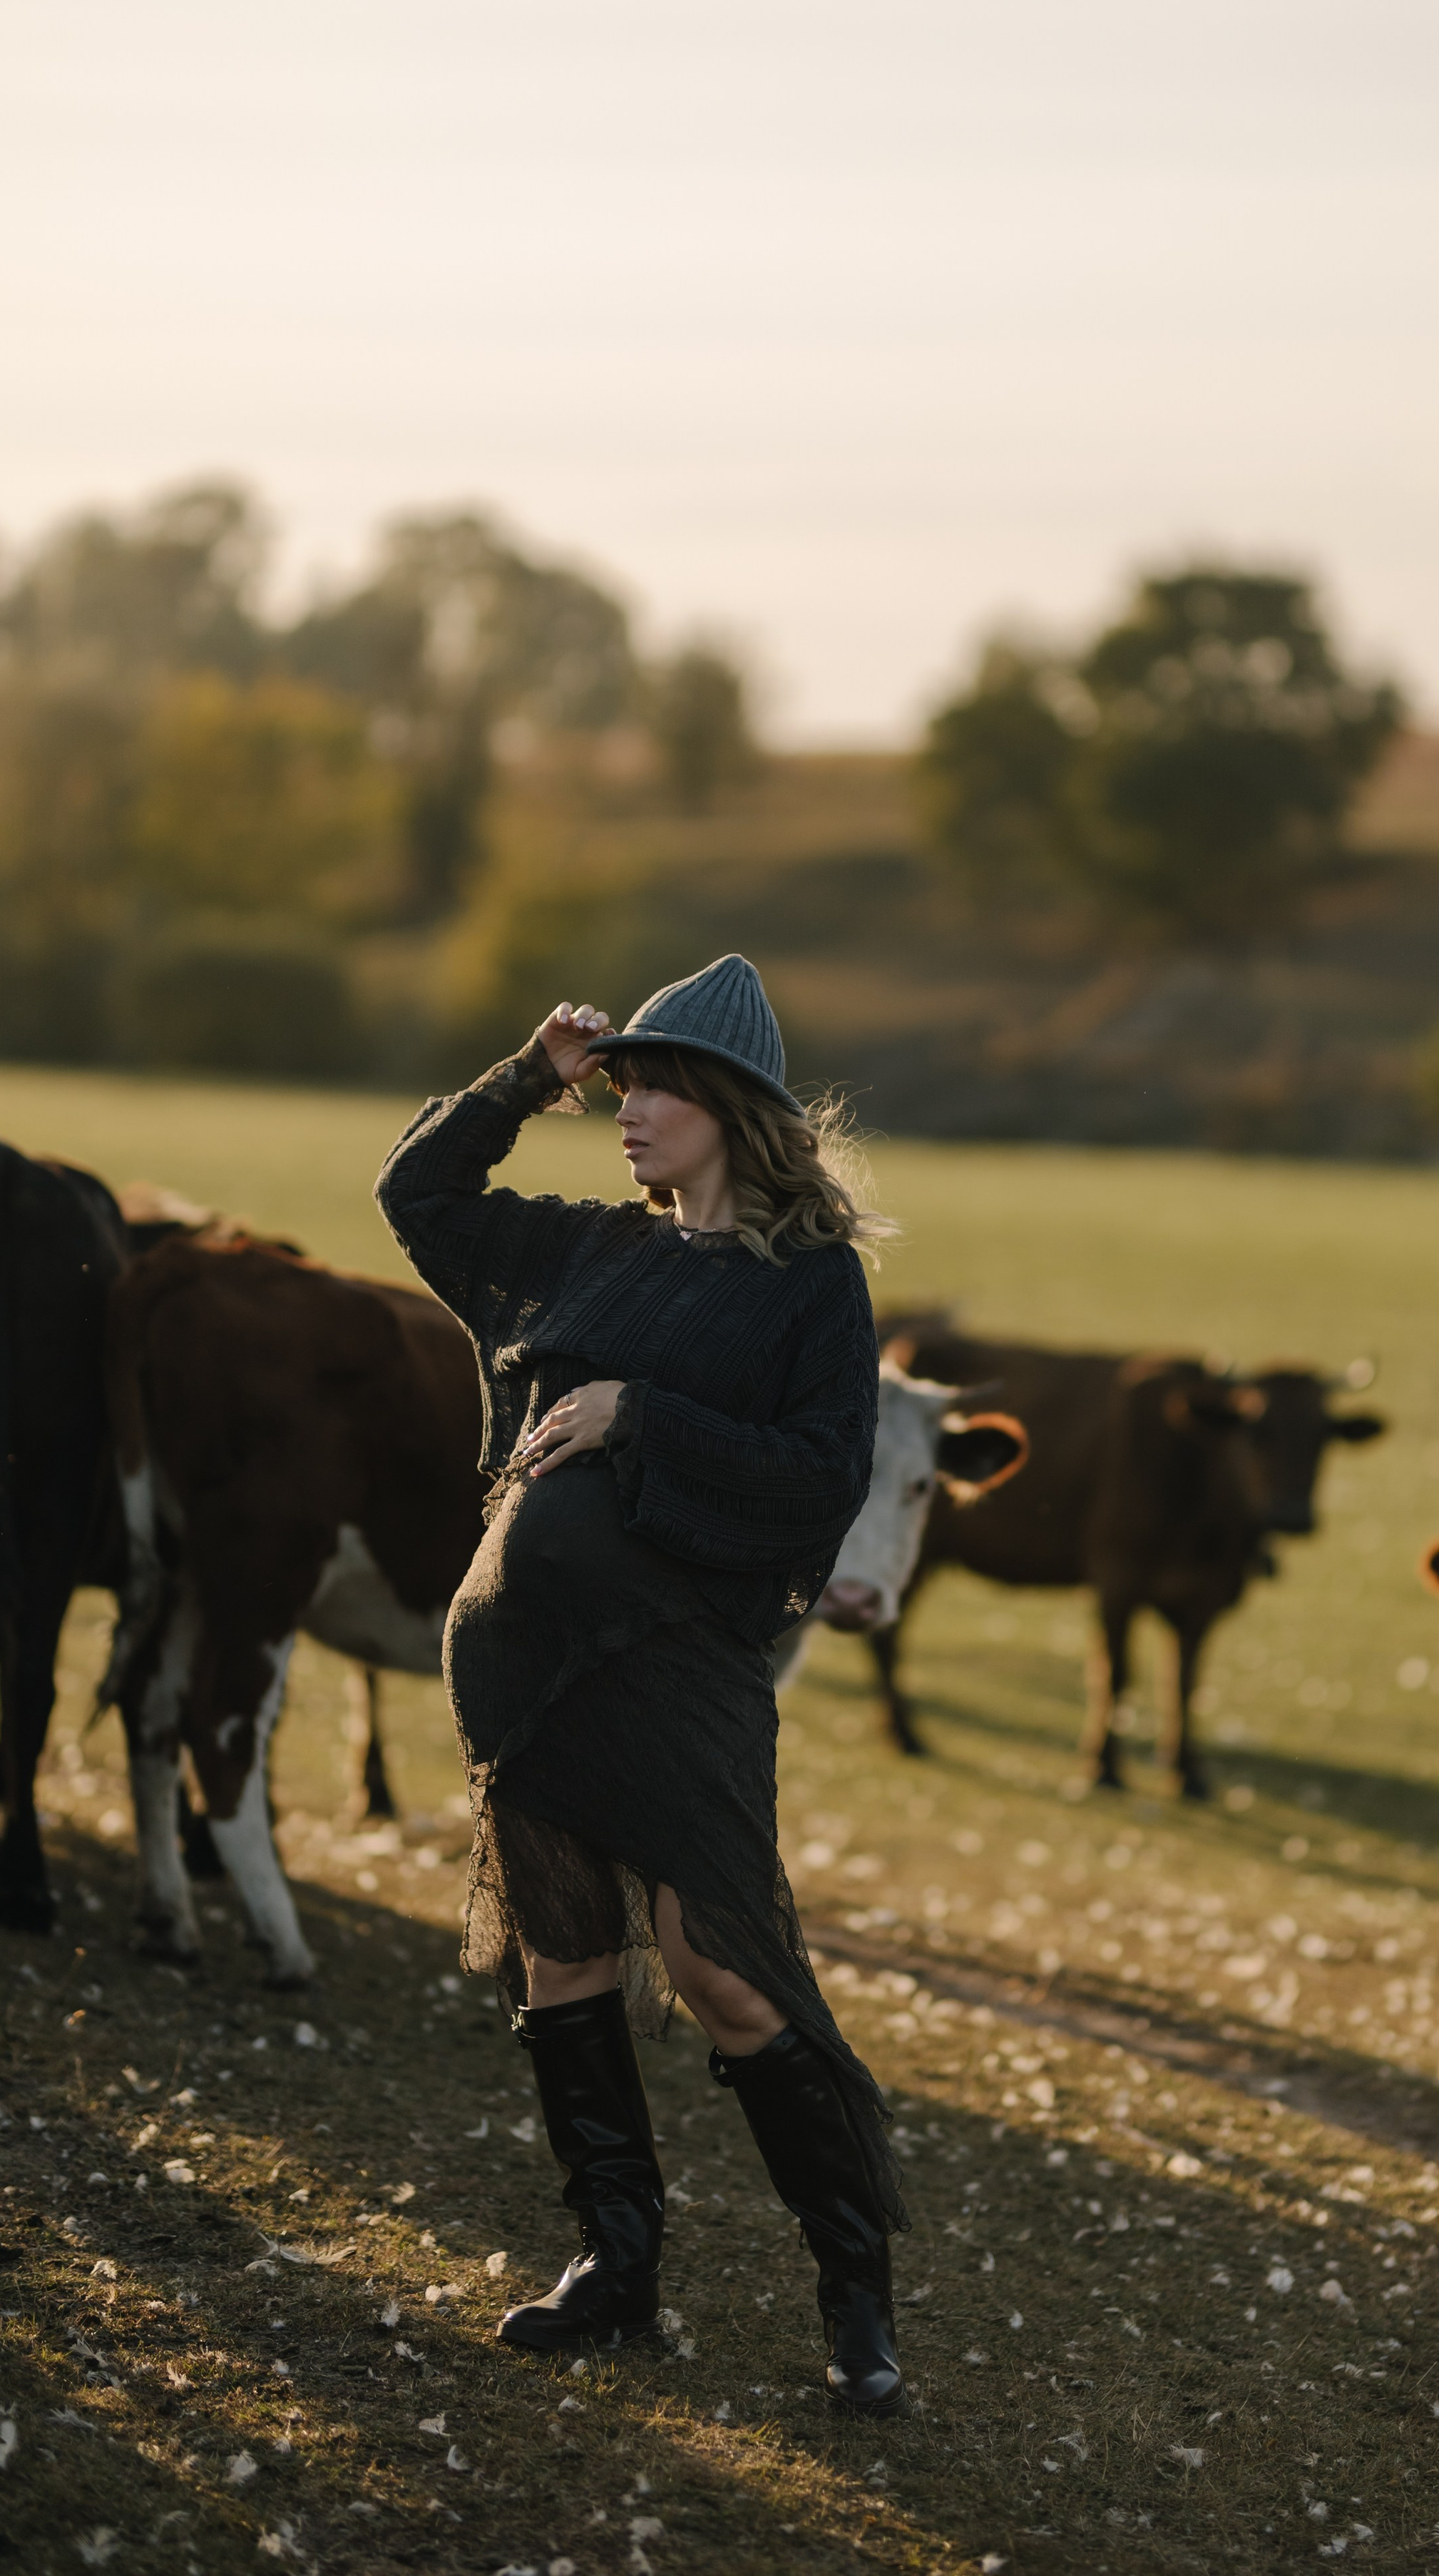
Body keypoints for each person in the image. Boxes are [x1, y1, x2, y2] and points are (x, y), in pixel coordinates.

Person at [374, 954, 905, 2414]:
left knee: (724, 1971)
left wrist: (635, 1415)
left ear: (731, 1107)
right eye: (618, 1084)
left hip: (678, 1670)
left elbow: (817, 1481)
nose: (628, 1108)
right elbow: (416, 1198)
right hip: (521, 1662)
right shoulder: (585, 1248)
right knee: (562, 1952)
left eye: (654, 1085)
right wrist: (526, 1072)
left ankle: (853, 2294)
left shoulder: (810, 1291)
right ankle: (616, 2266)